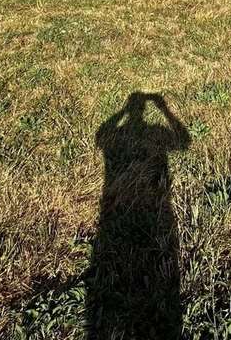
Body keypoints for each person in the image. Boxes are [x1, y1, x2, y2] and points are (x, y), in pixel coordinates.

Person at [87, 92, 190, 338]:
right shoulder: (153, 132)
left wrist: (123, 111)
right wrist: (165, 110)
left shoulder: (118, 136)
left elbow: (101, 135)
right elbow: (183, 142)